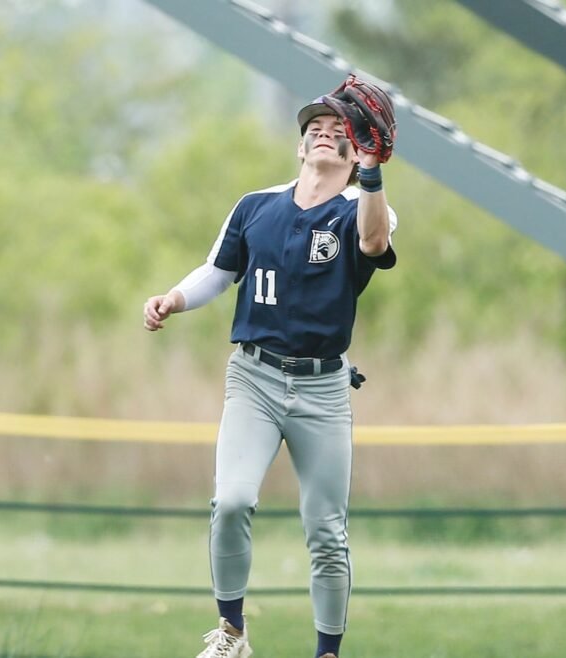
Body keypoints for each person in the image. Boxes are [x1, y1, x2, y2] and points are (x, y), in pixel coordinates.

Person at [142, 92, 398, 658]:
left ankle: (327, 652)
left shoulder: (363, 203)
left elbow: (376, 243)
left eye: (341, 127)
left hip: (323, 386)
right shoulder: (257, 204)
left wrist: (375, 174)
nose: (327, 131)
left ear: (358, 150)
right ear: (301, 143)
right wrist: (175, 298)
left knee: (326, 532)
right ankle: (231, 634)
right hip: (254, 376)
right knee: (231, 500)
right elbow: (218, 271)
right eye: (318, 124)